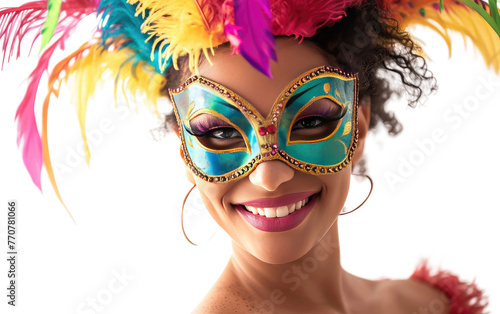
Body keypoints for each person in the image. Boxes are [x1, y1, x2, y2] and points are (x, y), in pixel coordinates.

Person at [1, 0, 498, 313]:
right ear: (185, 150)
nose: (269, 177)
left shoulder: (423, 305)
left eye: (309, 122)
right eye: (219, 131)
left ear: (359, 129)